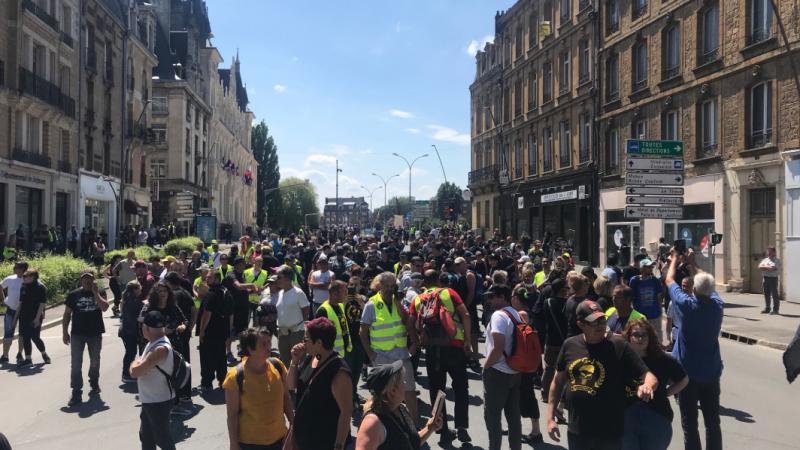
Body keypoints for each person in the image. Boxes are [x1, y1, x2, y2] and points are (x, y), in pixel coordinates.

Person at [546, 300, 658, 450]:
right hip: (578, 432)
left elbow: (649, 376)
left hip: (609, 433)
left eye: (602, 319)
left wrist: (647, 386)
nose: (600, 325)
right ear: (581, 324)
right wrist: (550, 418)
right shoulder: (569, 345)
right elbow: (557, 382)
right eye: (594, 322)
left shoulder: (618, 345)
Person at [665, 249, 723, 450]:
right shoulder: (717, 306)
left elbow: (670, 280)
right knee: (713, 423)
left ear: (694, 290)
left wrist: (674, 259)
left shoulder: (686, 306)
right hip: (711, 372)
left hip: (687, 375)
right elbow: (709, 285)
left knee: (690, 424)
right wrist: (692, 262)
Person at [408, 270, 472, 446]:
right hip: (455, 346)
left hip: (432, 350)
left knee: (437, 391)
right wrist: (467, 339)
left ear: (424, 282)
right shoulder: (449, 293)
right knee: (461, 387)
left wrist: (416, 341)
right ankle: (462, 427)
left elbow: (409, 323)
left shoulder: (418, 299)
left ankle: (443, 431)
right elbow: (465, 314)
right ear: (438, 280)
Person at [360, 272, 418, 423]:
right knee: (382, 393)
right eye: (387, 286)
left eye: (393, 286)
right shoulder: (371, 304)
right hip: (381, 355)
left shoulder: (398, 301)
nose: (390, 289)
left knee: (409, 389)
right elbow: (363, 332)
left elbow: (407, 322)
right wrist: (371, 355)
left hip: (401, 353)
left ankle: (415, 425)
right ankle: (383, 423)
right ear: (378, 285)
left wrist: (399, 304)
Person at [621, 319, 688, 450]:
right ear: (628, 337)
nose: (640, 338)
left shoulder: (662, 359)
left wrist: (666, 393)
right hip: (626, 418)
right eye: (635, 334)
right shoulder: (621, 358)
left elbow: (684, 379)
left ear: (650, 337)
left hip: (656, 416)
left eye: (644, 335)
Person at [287, 317, 353, 450]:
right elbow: (291, 385)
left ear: (318, 343)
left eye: (306, 339)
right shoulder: (313, 359)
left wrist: (338, 446)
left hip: (324, 443)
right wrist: (294, 362)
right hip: (304, 441)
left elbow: (346, 412)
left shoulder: (339, 372)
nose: (303, 343)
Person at [223, 327, 293, 450]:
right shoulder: (235, 376)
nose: (268, 347)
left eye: (269, 342)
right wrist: (233, 444)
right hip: (250, 444)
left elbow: (286, 398)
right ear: (250, 349)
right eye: (263, 344)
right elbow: (232, 415)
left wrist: (293, 425)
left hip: (280, 440)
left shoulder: (277, 366)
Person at [355, 360, 444, 450]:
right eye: (402, 381)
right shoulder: (373, 423)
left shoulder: (400, 408)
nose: (405, 383)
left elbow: (410, 443)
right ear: (392, 391)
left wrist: (430, 428)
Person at [482, 283, 522, 450]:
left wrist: (486, 366)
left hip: (498, 372)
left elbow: (498, 346)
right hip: (515, 370)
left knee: (492, 416)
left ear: (502, 297)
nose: (489, 300)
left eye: (492, 296)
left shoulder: (498, 316)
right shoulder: (515, 314)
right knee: (513, 416)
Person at [130, 310, 176, 450]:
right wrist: (138, 363)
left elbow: (135, 372)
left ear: (147, 328)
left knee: (162, 439)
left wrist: (134, 363)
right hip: (150, 400)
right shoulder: (153, 343)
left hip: (158, 402)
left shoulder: (160, 348)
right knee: (146, 437)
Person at [63, 270, 109, 406]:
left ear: (94, 279)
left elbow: (105, 307)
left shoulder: (100, 291)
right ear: (81, 280)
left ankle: (94, 382)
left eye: (89, 279)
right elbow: (66, 314)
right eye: (84, 279)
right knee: (76, 364)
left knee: (95, 361)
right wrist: (64, 332)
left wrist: (95, 293)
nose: (87, 281)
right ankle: (76, 391)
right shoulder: (73, 295)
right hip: (77, 333)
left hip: (95, 333)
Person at [511, 286, 543, 444]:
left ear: (517, 299)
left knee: (527, 394)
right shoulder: (525, 311)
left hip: (523, 361)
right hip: (526, 361)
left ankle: (536, 430)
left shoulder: (522, 314)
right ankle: (524, 427)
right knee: (524, 393)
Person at [198, 270, 231, 391]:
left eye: (209, 278)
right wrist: (229, 330)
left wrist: (202, 331)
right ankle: (223, 381)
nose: (207, 279)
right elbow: (230, 313)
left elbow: (207, 314)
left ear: (217, 279)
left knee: (207, 358)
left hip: (210, 332)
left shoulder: (210, 294)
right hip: (222, 331)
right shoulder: (226, 292)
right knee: (221, 357)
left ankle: (207, 383)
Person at [273, 265, 310, 366]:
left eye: (279, 277)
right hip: (282, 333)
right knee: (284, 362)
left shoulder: (298, 293)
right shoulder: (280, 293)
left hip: (296, 333)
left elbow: (306, 310)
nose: (277, 280)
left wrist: (299, 326)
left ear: (288, 278)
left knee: (297, 362)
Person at [224, 257, 258, 363]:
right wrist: (252, 285)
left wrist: (252, 291)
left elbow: (241, 291)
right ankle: (228, 353)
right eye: (243, 263)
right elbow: (238, 286)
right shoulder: (231, 275)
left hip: (243, 308)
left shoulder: (241, 275)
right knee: (230, 332)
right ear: (238, 264)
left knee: (242, 331)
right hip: (232, 310)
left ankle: (241, 350)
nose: (245, 265)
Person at [16, 268, 49, 366]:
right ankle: (28, 359)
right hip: (23, 316)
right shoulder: (23, 286)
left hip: (35, 316)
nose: (23, 278)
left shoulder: (40, 287)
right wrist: (15, 319)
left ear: (33, 277)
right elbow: (20, 303)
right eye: (23, 276)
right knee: (25, 337)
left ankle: (44, 354)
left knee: (35, 337)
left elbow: (42, 304)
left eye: (25, 276)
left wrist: (37, 318)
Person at [629, 258, 665, 342]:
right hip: (640, 316)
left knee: (656, 339)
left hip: (654, 315)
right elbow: (631, 297)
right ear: (642, 268)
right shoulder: (634, 280)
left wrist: (659, 313)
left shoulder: (655, 281)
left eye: (651, 267)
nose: (651, 268)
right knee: (640, 338)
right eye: (648, 266)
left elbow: (659, 298)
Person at [315, 280, 352, 358]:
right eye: (344, 292)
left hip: (343, 352)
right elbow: (320, 336)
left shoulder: (340, 306)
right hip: (332, 355)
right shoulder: (323, 310)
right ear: (334, 294)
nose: (346, 294)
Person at [0, 262, 27, 364]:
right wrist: (3, 300)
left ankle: (20, 354)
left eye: (16, 268)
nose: (14, 269)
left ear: (22, 269)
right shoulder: (10, 279)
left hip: (24, 311)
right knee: (8, 332)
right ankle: (5, 355)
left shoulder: (28, 279)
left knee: (23, 333)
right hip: (11, 309)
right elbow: (0, 286)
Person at [120, 280, 144, 383]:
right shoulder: (133, 301)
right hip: (131, 331)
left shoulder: (127, 299)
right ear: (135, 289)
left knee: (130, 352)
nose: (141, 290)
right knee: (130, 353)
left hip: (127, 331)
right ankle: (127, 374)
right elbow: (138, 316)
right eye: (139, 288)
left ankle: (128, 373)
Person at [758, 247, 781, 314]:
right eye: (768, 252)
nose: (769, 253)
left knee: (774, 295)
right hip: (765, 278)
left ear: (774, 252)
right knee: (766, 294)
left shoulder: (777, 260)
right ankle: (767, 308)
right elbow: (759, 267)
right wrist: (767, 268)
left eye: (770, 252)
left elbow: (772, 269)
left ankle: (775, 310)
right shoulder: (765, 260)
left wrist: (764, 268)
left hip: (773, 278)